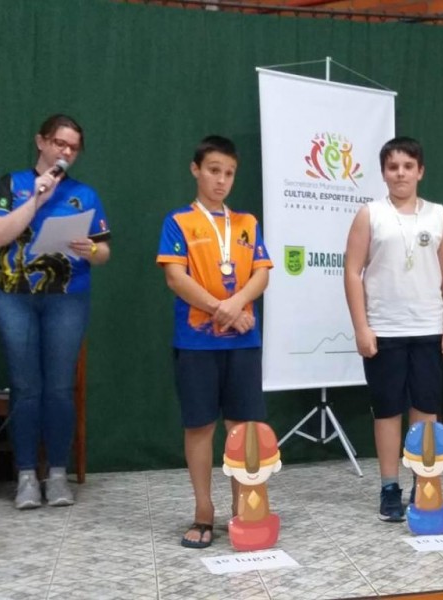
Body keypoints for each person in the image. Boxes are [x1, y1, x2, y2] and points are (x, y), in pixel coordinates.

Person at [0, 114, 111, 509]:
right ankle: (26, 476)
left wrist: (91, 249)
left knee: (58, 387)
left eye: (73, 148)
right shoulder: (12, 184)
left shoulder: (84, 194)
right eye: (60, 143)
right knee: (25, 387)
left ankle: (57, 474)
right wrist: (37, 199)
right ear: (41, 142)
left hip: (68, 298)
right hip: (15, 298)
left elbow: (104, 251)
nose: (66, 152)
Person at [156, 135, 272, 549]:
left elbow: (261, 273)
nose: (221, 180)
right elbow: (176, 277)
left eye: (229, 173)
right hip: (197, 343)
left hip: (243, 342)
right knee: (200, 425)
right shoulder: (178, 221)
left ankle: (245, 508)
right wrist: (223, 309)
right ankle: (203, 511)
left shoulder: (247, 223)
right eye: (213, 171)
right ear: (196, 170)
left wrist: (237, 304)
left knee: (243, 429)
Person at [344, 136, 443, 522]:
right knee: (388, 411)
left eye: (408, 166)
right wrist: (362, 327)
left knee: (426, 410)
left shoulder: (438, 215)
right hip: (384, 330)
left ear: (420, 171)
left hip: (428, 328)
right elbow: (352, 271)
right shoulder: (370, 214)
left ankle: (423, 482)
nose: (400, 173)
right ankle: (389, 487)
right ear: (383, 173)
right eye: (393, 167)